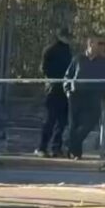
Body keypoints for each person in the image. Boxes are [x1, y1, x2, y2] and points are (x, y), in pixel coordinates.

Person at [64, 37, 105, 159]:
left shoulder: (104, 62)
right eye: (99, 43)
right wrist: (68, 90)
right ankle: (76, 152)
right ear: (90, 44)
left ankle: (71, 144)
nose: (101, 46)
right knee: (74, 124)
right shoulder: (78, 59)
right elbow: (68, 76)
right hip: (76, 94)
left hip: (94, 95)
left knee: (91, 121)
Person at [37, 27, 73, 157]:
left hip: (61, 88)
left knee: (60, 121)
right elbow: (44, 68)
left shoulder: (66, 50)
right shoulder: (52, 50)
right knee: (52, 120)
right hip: (54, 88)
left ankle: (55, 147)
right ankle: (43, 147)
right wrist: (55, 78)